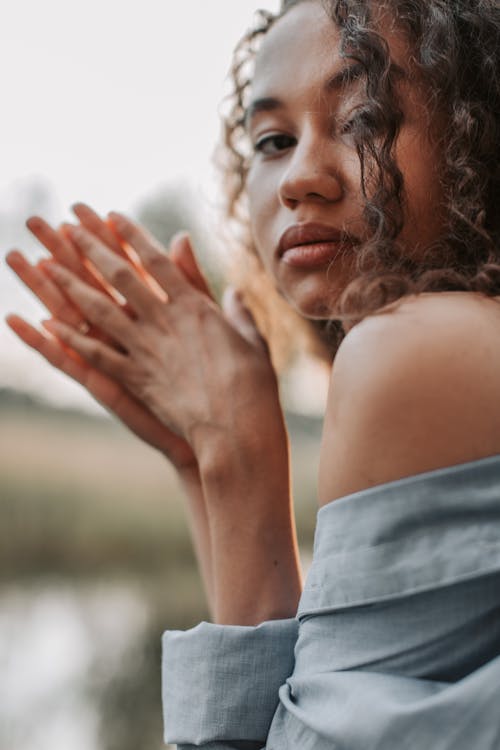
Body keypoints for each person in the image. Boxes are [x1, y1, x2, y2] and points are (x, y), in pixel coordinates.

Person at [6, 0, 500, 747]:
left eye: (363, 119)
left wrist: (237, 463)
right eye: (272, 139)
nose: (299, 178)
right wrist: (199, 454)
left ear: (479, 138)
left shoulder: (415, 352)